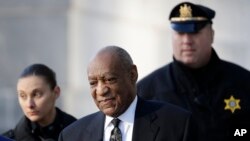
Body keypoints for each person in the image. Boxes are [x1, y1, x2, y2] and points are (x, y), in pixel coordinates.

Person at [137, 1, 250, 141]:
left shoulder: (244, 83)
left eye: (194, 31)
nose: (187, 40)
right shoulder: (146, 93)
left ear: (212, 35)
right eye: (180, 32)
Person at [58, 46, 197, 141]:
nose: (101, 90)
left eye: (110, 79)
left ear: (132, 74)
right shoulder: (72, 136)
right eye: (93, 83)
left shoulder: (176, 124)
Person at [2, 64, 77, 141]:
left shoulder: (80, 133)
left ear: (56, 92)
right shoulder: (8, 139)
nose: (29, 104)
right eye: (23, 96)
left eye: (36, 94)